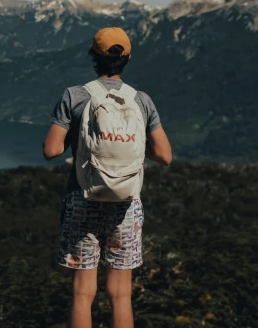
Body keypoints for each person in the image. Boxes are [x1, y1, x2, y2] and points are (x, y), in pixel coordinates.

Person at [43, 26, 172, 328]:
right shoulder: (141, 100)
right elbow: (165, 155)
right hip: (126, 202)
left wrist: (78, 141)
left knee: (82, 292)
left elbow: (51, 150)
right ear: (127, 57)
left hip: (82, 196)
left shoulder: (75, 96)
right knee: (121, 294)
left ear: (93, 55)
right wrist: (139, 151)